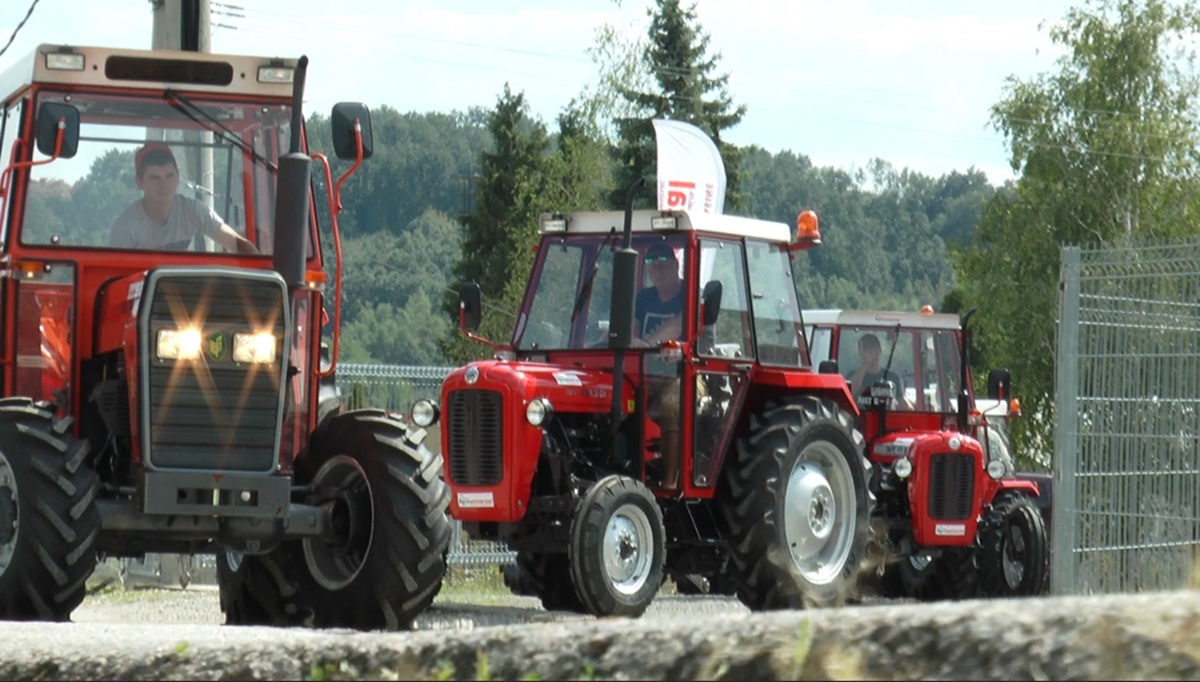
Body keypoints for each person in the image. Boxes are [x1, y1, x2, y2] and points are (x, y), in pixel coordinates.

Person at [109, 142, 257, 253]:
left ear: (178, 176)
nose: (164, 185)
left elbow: (236, 243)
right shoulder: (125, 227)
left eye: (170, 176)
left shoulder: (192, 211)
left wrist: (263, 268)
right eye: (154, 178)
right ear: (139, 182)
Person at [635, 241, 684, 492]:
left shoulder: (690, 295)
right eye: (652, 265)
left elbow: (679, 324)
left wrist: (646, 343)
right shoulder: (643, 298)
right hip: (646, 373)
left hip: (686, 373)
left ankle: (670, 482)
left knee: (672, 403)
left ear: (676, 265)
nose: (658, 269)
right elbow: (629, 330)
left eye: (663, 263)